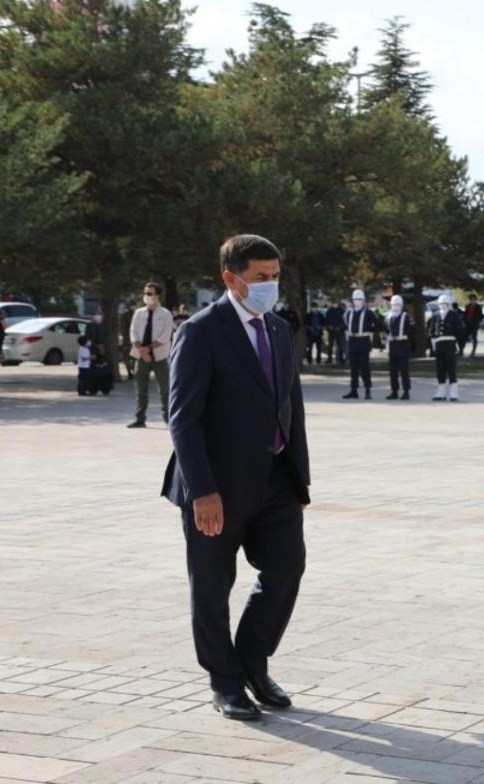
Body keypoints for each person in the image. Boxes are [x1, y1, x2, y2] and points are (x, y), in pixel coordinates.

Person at [162, 234, 310, 721]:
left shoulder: (280, 329)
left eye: (275, 277)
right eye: (260, 278)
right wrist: (202, 490)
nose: (270, 286)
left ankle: (251, 662)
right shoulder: (202, 331)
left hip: (275, 479)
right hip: (216, 486)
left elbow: (292, 406)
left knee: (286, 568)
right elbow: (183, 417)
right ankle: (224, 683)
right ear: (231, 278)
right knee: (211, 585)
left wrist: (299, 477)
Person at [126, 282, 174, 428]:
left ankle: (169, 419)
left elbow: (165, 336)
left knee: (165, 389)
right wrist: (141, 350)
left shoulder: (165, 314)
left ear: (157, 295)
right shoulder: (139, 313)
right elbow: (133, 332)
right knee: (141, 389)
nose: (147, 296)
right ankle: (140, 419)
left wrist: (148, 349)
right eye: (145, 293)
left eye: (150, 293)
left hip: (159, 356)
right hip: (141, 356)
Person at [427, 293, 465, 401]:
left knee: (451, 369)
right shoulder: (435, 315)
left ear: (449, 304)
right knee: (440, 370)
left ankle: (454, 393)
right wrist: (432, 345)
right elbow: (431, 331)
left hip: (450, 345)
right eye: (441, 303)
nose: (443, 305)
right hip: (439, 346)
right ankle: (441, 392)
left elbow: (460, 332)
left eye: (445, 303)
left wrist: (460, 347)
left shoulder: (454, 315)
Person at [343, 289, 378, 400]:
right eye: (355, 299)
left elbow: (378, 324)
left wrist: (369, 329)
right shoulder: (348, 312)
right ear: (352, 300)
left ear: (363, 300)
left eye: (359, 299)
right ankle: (354, 390)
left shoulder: (368, 312)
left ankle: (368, 390)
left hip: (363, 341)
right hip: (353, 342)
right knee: (353, 368)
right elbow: (344, 324)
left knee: (365, 367)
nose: (357, 301)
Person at [384, 294, 413, 400]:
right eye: (393, 304)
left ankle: (406, 391)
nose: (395, 306)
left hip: (402, 344)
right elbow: (386, 330)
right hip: (392, 344)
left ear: (401, 305)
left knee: (404, 370)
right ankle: (394, 391)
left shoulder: (406, 316)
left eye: (397, 304)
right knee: (393, 370)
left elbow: (411, 330)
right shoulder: (388, 316)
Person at [325, 299, 346, 365]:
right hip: (331, 331)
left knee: (341, 346)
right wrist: (329, 326)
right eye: (334, 303)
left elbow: (345, 321)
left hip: (340, 331)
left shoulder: (342, 311)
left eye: (336, 303)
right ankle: (329, 359)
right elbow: (326, 320)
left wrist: (340, 327)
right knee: (330, 345)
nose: (335, 304)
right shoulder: (329, 311)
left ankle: (341, 359)